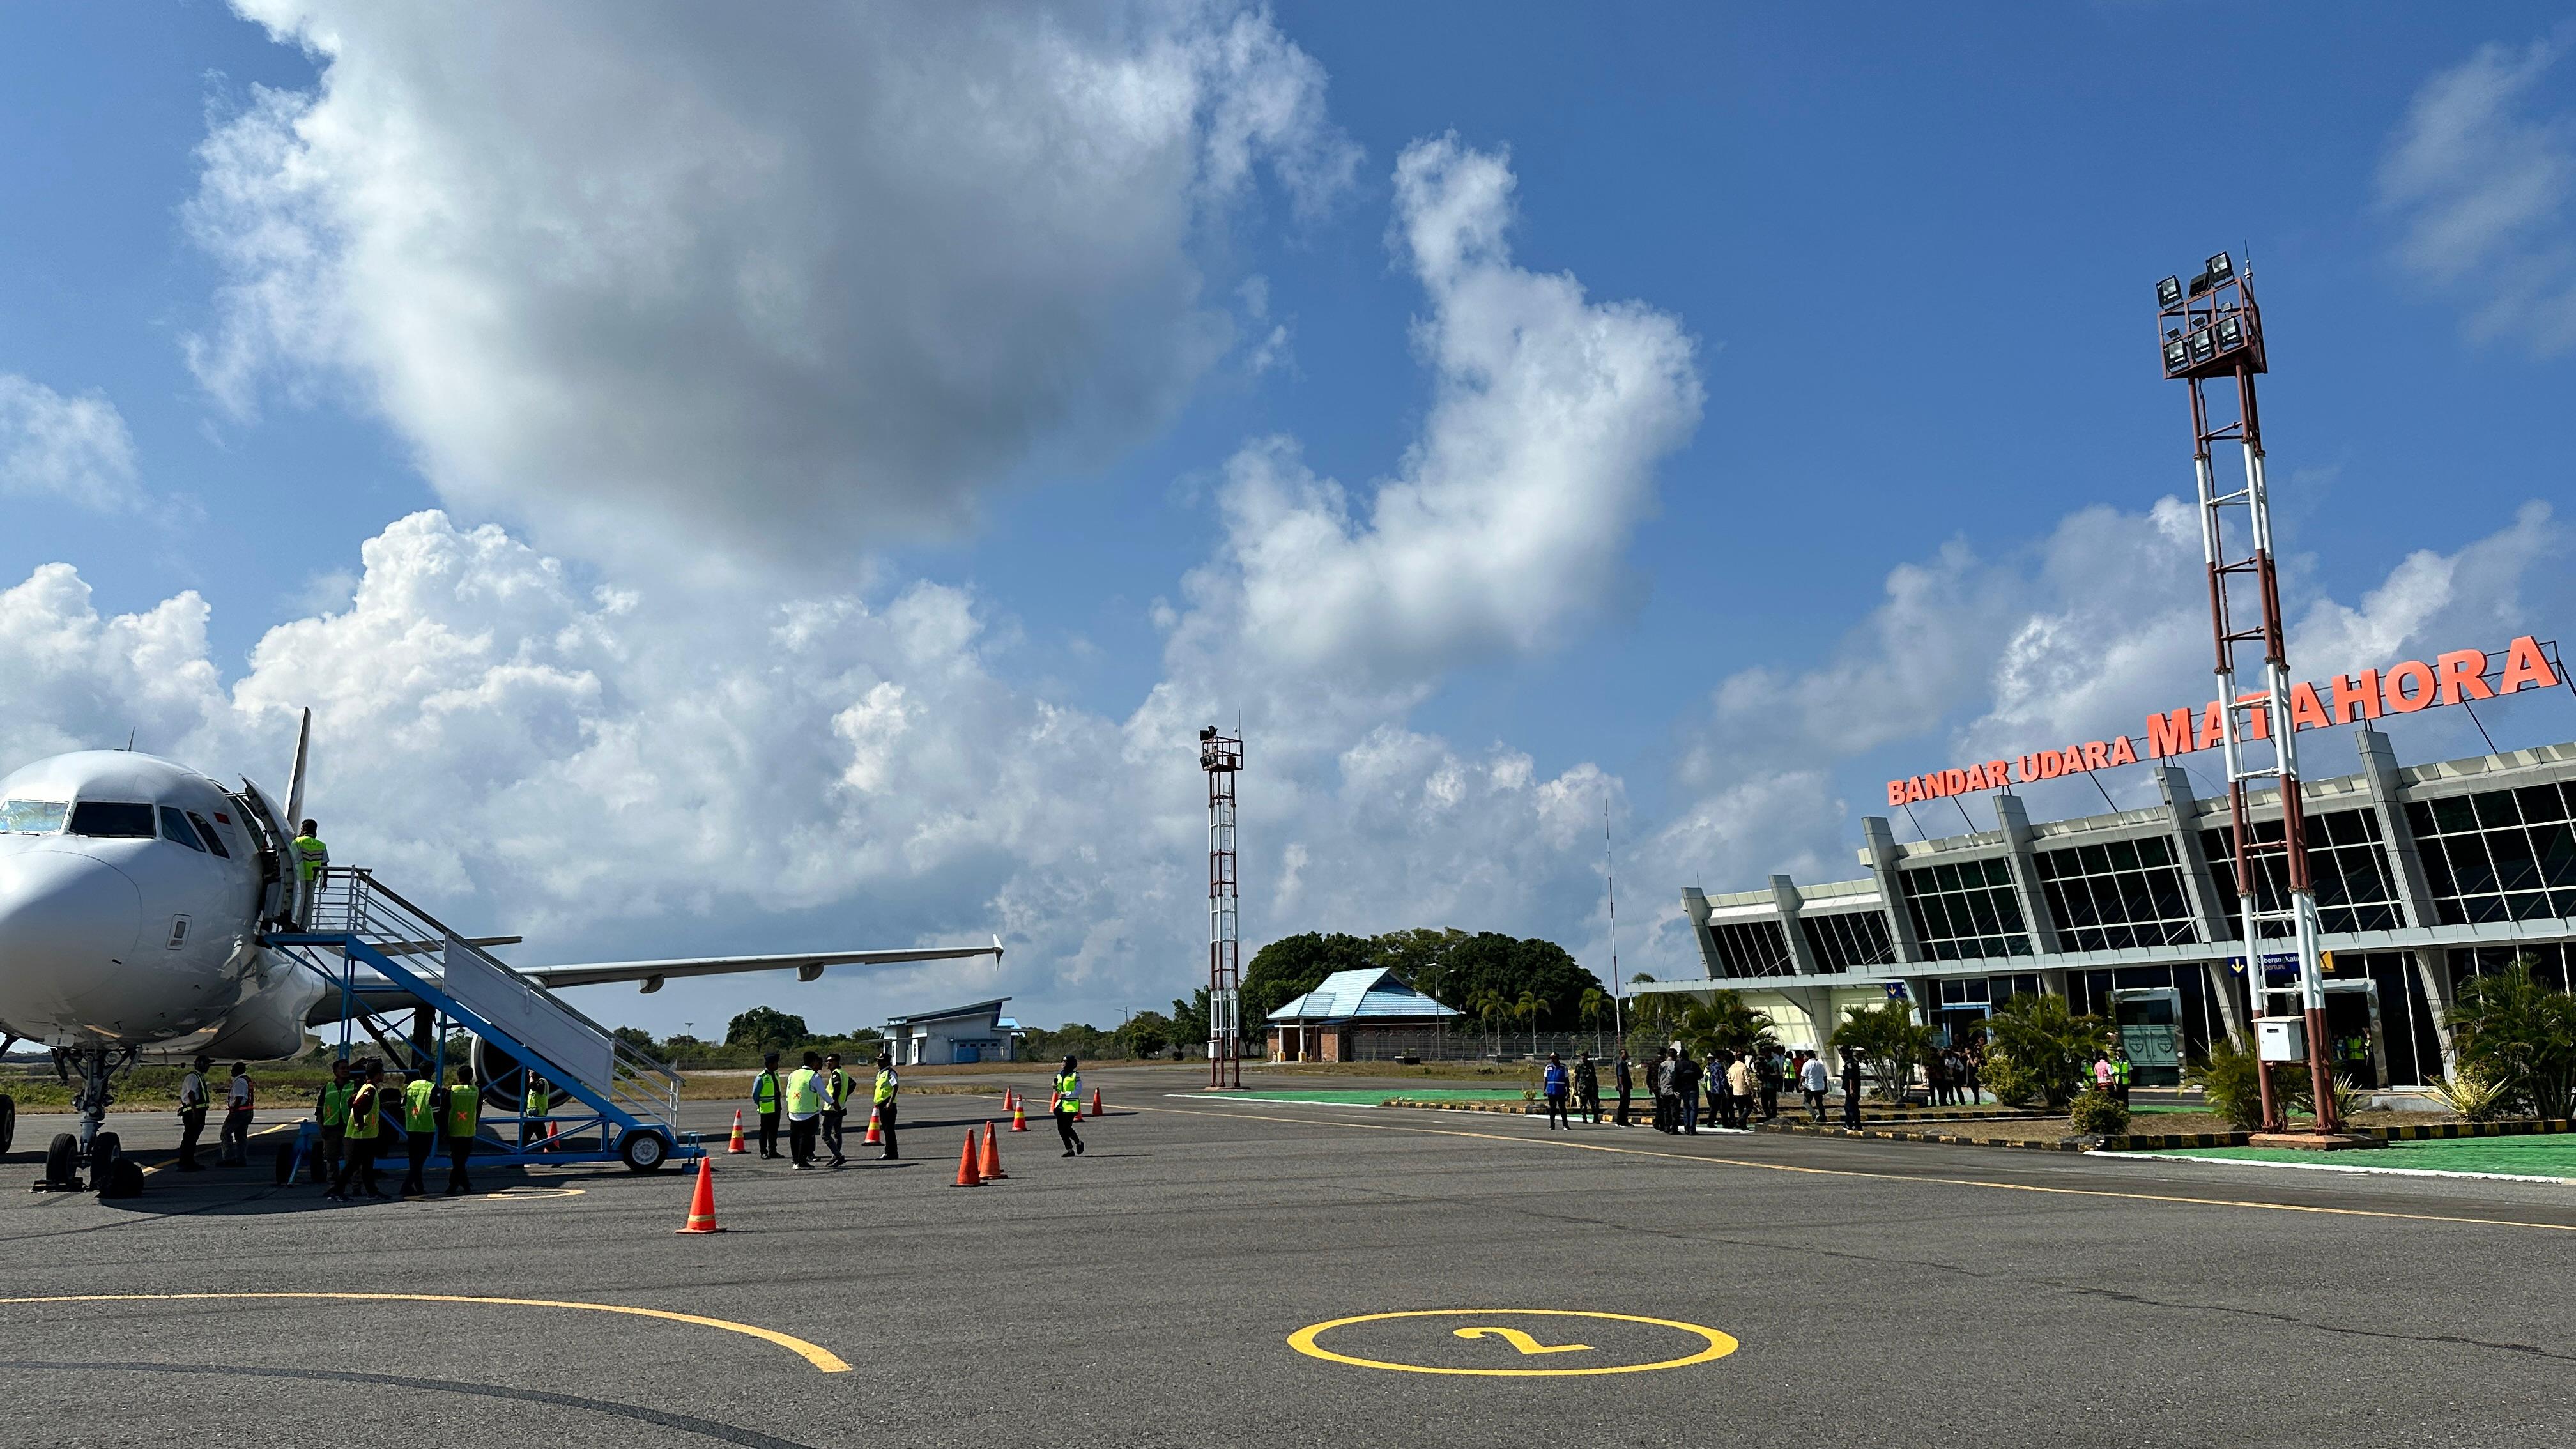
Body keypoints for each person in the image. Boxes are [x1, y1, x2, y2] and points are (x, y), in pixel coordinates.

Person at [330, 1062, 387, 1201]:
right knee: (353, 1165)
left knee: (367, 1165)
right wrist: (359, 1122)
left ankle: (372, 1192)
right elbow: (356, 1104)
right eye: (382, 1072)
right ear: (378, 1074)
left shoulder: (366, 1087)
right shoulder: (370, 1089)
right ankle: (337, 1191)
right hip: (362, 1135)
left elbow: (351, 1101)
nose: (384, 1075)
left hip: (367, 1135)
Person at [439, 1064, 480, 1194]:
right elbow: (478, 1111)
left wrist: (444, 1130)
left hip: (455, 1129)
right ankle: (465, 1184)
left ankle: (454, 1185)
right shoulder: (477, 1091)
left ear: (458, 1077)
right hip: (469, 1130)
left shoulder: (452, 1091)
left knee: (457, 1161)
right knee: (461, 1160)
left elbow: (444, 1111)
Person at [398, 1068, 438, 1196]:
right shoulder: (433, 1087)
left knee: (414, 1160)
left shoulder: (411, 1086)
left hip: (412, 1127)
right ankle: (406, 1185)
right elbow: (436, 1109)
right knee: (420, 1160)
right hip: (426, 1127)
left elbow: (403, 1106)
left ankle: (419, 1187)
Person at [314, 1058, 354, 1187]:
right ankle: (333, 1185)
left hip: (350, 1127)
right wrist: (321, 1127)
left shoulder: (355, 1086)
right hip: (331, 1128)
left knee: (352, 1158)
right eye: (342, 1068)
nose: (346, 1070)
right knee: (331, 1159)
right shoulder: (328, 1088)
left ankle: (355, 1185)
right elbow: (319, 1110)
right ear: (335, 1071)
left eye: (347, 1068)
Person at [785, 1051, 824, 1170]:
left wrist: (790, 1107)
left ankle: (795, 1160)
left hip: (794, 1111)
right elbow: (823, 1093)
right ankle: (802, 1162)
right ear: (813, 1062)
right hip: (810, 1112)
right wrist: (833, 1103)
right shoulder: (814, 1076)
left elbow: (788, 1093)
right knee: (806, 1137)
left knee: (795, 1137)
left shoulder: (793, 1074)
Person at [820, 1052, 856, 1167]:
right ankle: (836, 1156)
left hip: (832, 1108)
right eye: (827, 1061)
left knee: (825, 1134)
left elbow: (837, 1087)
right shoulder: (843, 1073)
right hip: (841, 1107)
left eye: (831, 1061)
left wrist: (835, 1101)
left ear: (837, 1062)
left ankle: (838, 1156)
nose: (828, 1063)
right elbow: (853, 1084)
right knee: (837, 1133)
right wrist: (844, 1097)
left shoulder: (836, 1074)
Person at [176, 1054, 211, 1171]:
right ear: (200, 1065)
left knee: (191, 1139)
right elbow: (191, 1094)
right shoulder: (193, 1077)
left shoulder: (198, 1077)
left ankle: (188, 1161)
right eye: (207, 1064)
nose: (208, 1067)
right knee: (190, 1139)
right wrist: (196, 1113)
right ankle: (186, 1163)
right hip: (194, 1113)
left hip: (195, 1111)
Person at [291, 818, 328, 928]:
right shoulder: (321, 845)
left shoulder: (297, 842)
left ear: (304, 829)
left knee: (297, 901)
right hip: (313, 877)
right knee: (308, 903)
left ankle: (293, 923)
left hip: (299, 876)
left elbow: (291, 857)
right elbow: (325, 865)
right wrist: (325, 881)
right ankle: (303, 927)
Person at [220, 1062, 255, 1166]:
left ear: (238, 1070)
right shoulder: (246, 1080)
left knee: (225, 1133)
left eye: (233, 1069)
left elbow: (239, 1098)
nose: (231, 1071)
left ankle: (229, 1158)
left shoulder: (239, 1082)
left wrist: (233, 1113)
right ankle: (241, 1159)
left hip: (240, 1112)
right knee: (241, 1136)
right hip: (247, 1111)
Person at [1052, 1055, 1087, 1156]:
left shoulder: (1075, 1076)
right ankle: (1070, 1150)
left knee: (1067, 1128)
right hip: (1060, 1105)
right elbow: (1058, 1090)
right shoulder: (1059, 1075)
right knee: (1061, 1129)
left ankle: (1079, 1143)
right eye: (1062, 1061)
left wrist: (1066, 1094)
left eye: (1065, 1061)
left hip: (1070, 1105)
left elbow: (1078, 1091)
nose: (1063, 1063)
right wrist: (1055, 1086)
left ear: (1071, 1063)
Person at [751, 1052, 783, 1158]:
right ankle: (763, 1151)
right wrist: (759, 1104)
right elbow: (755, 1094)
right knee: (764, 1131)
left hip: (777, 1107)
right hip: (766, 1109)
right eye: (775, 1063)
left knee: (774, 1131)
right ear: (770, 1064)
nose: (777, 1065)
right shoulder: (761, 1077)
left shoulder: (776, 1074)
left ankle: (773, 1150)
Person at [871, 1052, 900, 1160]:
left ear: (887, 1062)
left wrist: (890, 1103)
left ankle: (890, 1152)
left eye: (881, 1060)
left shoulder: (890, 1073)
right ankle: (892, 1152)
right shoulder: (881, 1073)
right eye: (878, 1060)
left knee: (889, 1130)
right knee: (887, 1130)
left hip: (888, 1105)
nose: (878, 1062)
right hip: (882, 1104)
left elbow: (895, 1086)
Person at [1673, 1047, 1701, 1136]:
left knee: (1686, 1108)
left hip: (1683, 1089)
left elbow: (1675, 1078)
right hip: (1693, 1088)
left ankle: (1687, 1127)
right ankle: (1692, 1128)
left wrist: (1676, 1089)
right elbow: (1701, 1075)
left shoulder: (1678, 1065)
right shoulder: (1693, 1064)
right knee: (1693, 1108)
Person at [1728, 1050, 1757, 1130]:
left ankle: (1743, 1125)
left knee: (1740, 1109)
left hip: (1735, 1091)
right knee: (1749, 1107)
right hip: (1744, 1090)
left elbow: (1729, 1080)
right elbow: (1748, 1080)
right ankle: (1740, 1120)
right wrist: (1751, 1089)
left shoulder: (1731, 1067)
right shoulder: (1744, 1067)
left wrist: (1732, 1085)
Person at [1541, 1053, 1570, 1131]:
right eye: (1551, 1058)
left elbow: (1567, 1080)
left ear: (1558, 1058)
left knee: (1562, 1109)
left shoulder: (1563, 1067)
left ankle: (1565, 1125)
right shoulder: (1548, 1067)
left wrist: (1568, 1090)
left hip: (1560, 1091)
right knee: (1552, 1109)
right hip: (1551, 1091)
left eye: (1554, 1058)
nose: (1552, 1060)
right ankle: (1552, 1125)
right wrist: (1544, 1090)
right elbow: (1545, 1079)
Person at [1800, 1050, 1831, 1122]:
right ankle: (1823, 1117)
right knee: (1819, 1103)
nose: (1804, 1058)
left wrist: (1800, 1085)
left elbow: (1803, 1076)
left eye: (1804, 1056)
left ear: (1808, 1056)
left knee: (1806, 1102)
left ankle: (1815, 1114)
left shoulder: (1807, 1064)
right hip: (1820, 1087)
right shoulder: (1820, 1064)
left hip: (1810, 1087)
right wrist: (1826, 1087)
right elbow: (1825, 1077)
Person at [522, 1073, 551, 1148]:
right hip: (532, 1116)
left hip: (538, 1116)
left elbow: (534, 1086)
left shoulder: (542, 1082)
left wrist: (531, 1077)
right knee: (526, 1136)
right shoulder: (538, 1083)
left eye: (531, 1073)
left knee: (541, 1138)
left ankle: (554, 1152)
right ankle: (521, 1152)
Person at [1573, 1052, 1600, 1125]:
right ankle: (1584, 1117)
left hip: (1592, 1087)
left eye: (1585, 1056)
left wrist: (1596, 1086)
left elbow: (1594, 1076)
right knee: (1583, 1104)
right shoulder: (1579, 1066)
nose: (1583, 1058)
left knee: (1594, 1103)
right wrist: (1576, 1089)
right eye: (1582, 1056)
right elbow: (1576, 1078)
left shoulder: (1590, 1065)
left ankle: (1596, 1117)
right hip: (1583, 1088)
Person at [1758, 1046, 1783, 1121]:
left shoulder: (1773, 1062)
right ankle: (1768, 1116)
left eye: (1766, 1052)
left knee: (1772, 1103)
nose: (1764, 1054)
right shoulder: (1764, 1062)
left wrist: (1768, 1074)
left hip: (1771, 1086)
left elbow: (1777, 1074)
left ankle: (1773, 1117)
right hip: (1764, 1086)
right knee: (1764, 1103)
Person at [1840, 1048, 1863, 1129]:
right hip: (1855, 1088)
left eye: (1842, 1054)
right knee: (1850, 1107)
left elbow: (1851, 1077)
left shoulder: (1850, 1064)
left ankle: (1853, 1125)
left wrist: (1851, 1088)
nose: (1842, 1056)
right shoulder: (1854, 1062)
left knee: (1851, 1108)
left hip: (1852, 1089)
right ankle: (1851, 1124)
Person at [1613, 1050, 1634, 1127]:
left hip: (1626, 1086)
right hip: (1624, 1087)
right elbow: (1620, 1076)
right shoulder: (1621, 1063)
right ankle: (1620, 1121)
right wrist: (1623, 1086)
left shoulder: (1624, 1063)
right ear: (1621, 1055)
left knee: (1626, 1104)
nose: (1627, 1055)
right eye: (1625, 1054)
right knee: (1623, 1104)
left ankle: (1624, 1120)